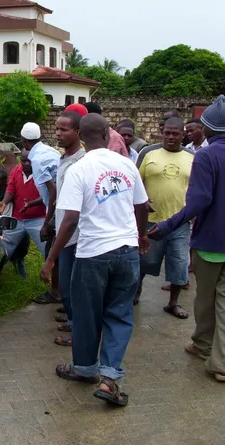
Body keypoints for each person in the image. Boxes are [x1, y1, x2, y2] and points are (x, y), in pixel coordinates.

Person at [41, 113, 150, 407]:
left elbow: (70, 221)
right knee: (119, 314)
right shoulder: (127, 164)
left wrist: (50, 259)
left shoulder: (79, 169)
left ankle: (84, 369)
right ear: (106, 133)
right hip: (126, 251)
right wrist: (141, 236)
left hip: (91, 255)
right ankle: (109, 379)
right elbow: (142, 206)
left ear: (83, 136)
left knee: (87, 315)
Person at [148, 95, 225, 382]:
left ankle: (218, 362)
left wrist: (168, 225)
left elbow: (199, 201)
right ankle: (202, 345)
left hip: (211, 243)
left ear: (208, 129)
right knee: (215, 299)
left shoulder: (205, 156)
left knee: (209, 299)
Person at [135, 118, 194, 317]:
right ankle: (135, 294)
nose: (170, 137)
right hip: (150, 221)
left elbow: (196, 187)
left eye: (175, 134)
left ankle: (173, 303)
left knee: (178, 264)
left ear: (183, 135)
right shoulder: (148, 152)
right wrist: (142, 199)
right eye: (167, 133)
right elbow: (135, 180)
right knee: (144, 260)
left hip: (180, 222)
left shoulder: (192, 156)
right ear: (162, 132)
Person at [52, 111, 86, 347]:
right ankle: (74, 322)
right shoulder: (63, 159)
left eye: (64, 130)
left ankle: (79, 333)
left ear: (78, 133)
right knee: (67, 286)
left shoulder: (82, 162)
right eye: (57, 129)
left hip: (76, 236)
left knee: (74, 287)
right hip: (62, 231)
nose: (58, 134)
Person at [20, 122, 62, 304]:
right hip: (64, 205)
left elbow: (53, 191)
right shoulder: (51, 151)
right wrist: (33, 203)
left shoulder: (36, 159)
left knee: (53, 251)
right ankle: (60, 292)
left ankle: (56, 292)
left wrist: (47, 223)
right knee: (59, 252)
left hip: (57, 210)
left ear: (23, 140)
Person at [0, 151, 47, 280]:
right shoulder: (16, 171)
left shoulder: (42, 171)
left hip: (38, 219)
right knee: (3, 250)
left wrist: (32, 204)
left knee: (49, 252)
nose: (27, 163)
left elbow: (47, 194)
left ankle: (56, 287)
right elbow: (11, 189)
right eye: (24, 161)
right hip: (17, 219)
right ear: (19, 160)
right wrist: (4, 202)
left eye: (30, 161)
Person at [0, 170, 31, 278]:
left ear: (4, 182)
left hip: (11, 225)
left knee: (19, 247)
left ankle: (19, 263)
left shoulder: (10, 195)